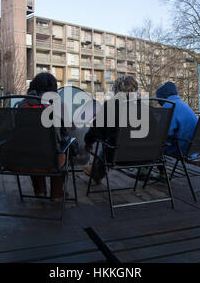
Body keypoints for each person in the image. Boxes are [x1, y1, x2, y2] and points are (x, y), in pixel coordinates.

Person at [18, 72, 75, 201]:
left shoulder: (21, 105)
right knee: (64, 147)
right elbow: (65, 130)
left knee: (34, 145)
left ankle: (40, 190)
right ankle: (57, 193)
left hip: (21, 159)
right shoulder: (58, 105)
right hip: (52, 160)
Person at [84, 75, 139, 183]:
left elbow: (96, 129)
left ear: (116, 88)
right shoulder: (142, 105)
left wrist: (88, 141)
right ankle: (94, 170)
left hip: (116, 154)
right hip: (139, 154)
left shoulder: (111, 105)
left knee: (109, 143)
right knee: (112, 140)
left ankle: (95, 172)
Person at [156, 81, 198, 157]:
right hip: (194, 149)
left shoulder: (168, 107)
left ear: (161, 98)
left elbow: (163, 134)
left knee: (149, 146)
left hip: (180, 149)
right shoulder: (183, 105)